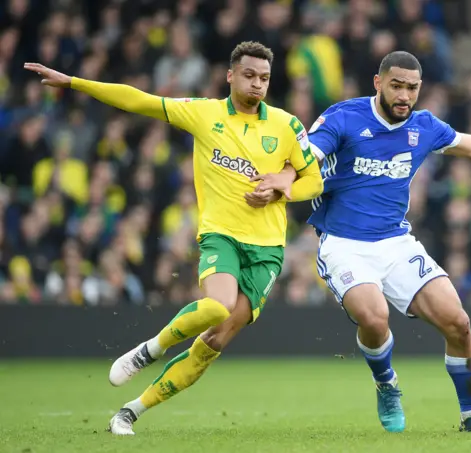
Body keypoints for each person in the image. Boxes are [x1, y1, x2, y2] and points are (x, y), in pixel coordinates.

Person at [25, 40, 323, 435]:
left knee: (214, 343)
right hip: (222, 235)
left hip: (268, 250)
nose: (257, 85)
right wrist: (75, 82)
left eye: (264, 78)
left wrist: (281, 189)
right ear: (230, 75)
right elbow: (138, 101)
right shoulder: (204, 113)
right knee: (217, 306)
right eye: (249, 75)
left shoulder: (286, 126)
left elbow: (314, 181)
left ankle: (130, 412)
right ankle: (150, 348)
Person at [304, 51, 471, 433]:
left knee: (457, 322)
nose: (404, 95)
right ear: (378, 83)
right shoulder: (344, 117)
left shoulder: (423, 127)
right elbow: (309, 154)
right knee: (374, 318)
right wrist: (283, 177)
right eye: (396, 85)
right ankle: (387, 383)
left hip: (395, 241)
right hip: (343, 243)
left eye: (412, 87)